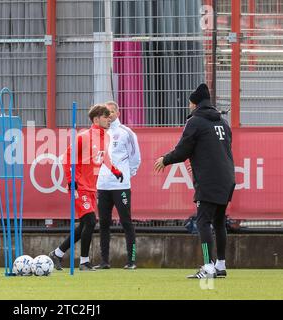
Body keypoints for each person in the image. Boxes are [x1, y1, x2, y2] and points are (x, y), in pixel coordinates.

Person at [153, 83, 235, 279]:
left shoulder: (195, 122)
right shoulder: (223, 123)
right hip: (227, 178)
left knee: (203, 222)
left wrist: (165, 159)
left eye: (190, 103)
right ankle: (220, 266)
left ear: (195, 103)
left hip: (208, 179)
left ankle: (207, 266)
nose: (189, 107)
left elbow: (183, 150)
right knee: (219, 221)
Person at [49, 104, 124, 271]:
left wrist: (115, 171)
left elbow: (104, 158)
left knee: (84, 225)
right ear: (96, 119)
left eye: (109, 116)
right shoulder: (83, 137)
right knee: (90, 221)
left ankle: (57, 254)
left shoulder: (107, 137)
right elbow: (67, 158)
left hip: (91, 187)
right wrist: (71, 180)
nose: (109, 119)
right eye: (105, 117)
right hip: (79, 186)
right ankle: (83, 262)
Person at [95, 101, 141, 270]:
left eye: (112, 112)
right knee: (104, 223)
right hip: (103, 185)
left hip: (120, 186)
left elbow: (135, 158)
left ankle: (131, 260)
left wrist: (127, 175)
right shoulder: (99, 132)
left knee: (126, 221)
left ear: (118, 113)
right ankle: (104, 261)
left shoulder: (126, 133)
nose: (110, 115)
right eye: (107, 112)